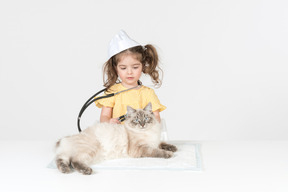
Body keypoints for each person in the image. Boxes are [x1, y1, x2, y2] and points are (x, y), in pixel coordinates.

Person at [95, 30, 166, 124]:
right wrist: (109, 121)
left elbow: (156, 117)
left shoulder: (148, 93)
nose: (129, 72)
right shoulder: (112, 92)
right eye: (123, 68)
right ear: (116, 68)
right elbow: (104, 117)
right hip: (118, 135)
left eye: (135, 67)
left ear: (143, 66)